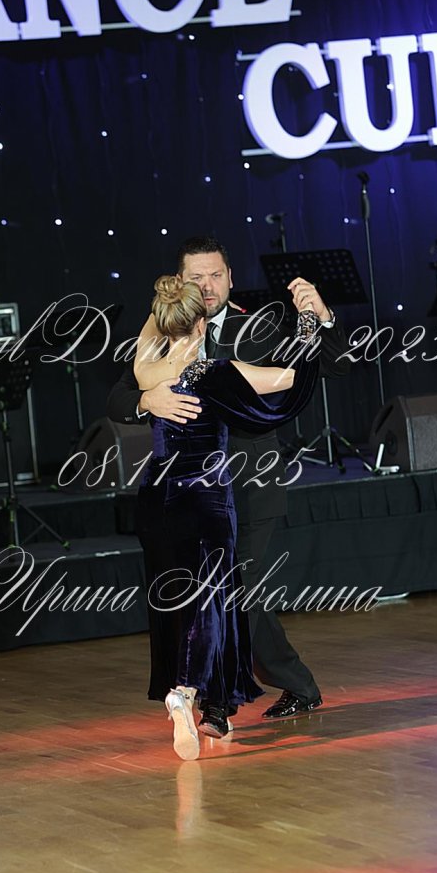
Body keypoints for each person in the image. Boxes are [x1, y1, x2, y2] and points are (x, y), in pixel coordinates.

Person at [107, 236, 350, 737]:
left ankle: (223, 704)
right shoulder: (164, 337)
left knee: (234, 596)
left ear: (231, 278)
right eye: (196, 277)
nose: (207, 285)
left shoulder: (257, 327)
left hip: (250, 490)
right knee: (220, 598)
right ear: (181, 283)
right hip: (188, 498)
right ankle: (280, 689)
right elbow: (118, 397)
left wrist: (321, 318)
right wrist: (147, 401)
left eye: (215, 275)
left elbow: (330, 364)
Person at [134, 274, 320, 760]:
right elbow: (288, 383)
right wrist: (308, 324)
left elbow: (152, 335)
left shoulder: (148, 372)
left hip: (156, 499)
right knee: (213, 605)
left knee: (175, 602)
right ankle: (187, 693)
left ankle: (211, 704)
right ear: (201, 324)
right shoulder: (216, 373)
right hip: (206, 501)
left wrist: (168, 310)